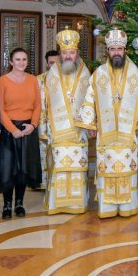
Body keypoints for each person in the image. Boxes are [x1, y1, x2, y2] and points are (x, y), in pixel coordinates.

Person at [76, 29, 138, 217]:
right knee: (108, 167)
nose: (117, 52)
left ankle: (127, 207)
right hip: (106, 132)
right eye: (113, 49)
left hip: (128, 133)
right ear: (108, 52)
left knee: (127, 167)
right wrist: (91, 124)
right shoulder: (99, 74)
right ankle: (109, 208)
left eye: (120, 49)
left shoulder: (135, 73)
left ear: (125, 50)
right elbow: (89, 99)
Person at [40, 30, 92, 215]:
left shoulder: (86, 73)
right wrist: (43, 128)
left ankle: (77, 203)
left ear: (77, 53)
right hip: (58, 129)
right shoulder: (51, 75)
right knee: (60, 165)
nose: (68, 56)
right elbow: (43, 103)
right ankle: (58, 203)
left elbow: (92, 101)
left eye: (71, 52)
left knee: (78, 166)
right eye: (64, 53)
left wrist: (91, 124)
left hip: (79, 129)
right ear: (60, 54)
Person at [0, 48, 41, 218]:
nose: (21, 63)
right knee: (8, 169)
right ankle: (7, 205)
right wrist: (12, 129)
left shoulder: (32, 80)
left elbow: (37, 105)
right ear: (11, 62)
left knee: (23, 169)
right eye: (18, 59)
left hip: (28, 129)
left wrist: (33, 125)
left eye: (24, 59)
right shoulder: (2, 81)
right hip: (9, 130)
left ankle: (19, 203)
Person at [37, 49, 59, 190]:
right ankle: (43, 183)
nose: (54, 65)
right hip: (42, 122)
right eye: (51, 63)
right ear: (47, 63)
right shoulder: (38, 80)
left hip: (60, 123)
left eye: (57, 63)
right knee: (42, 152)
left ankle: (57, 181)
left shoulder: (68, 80)